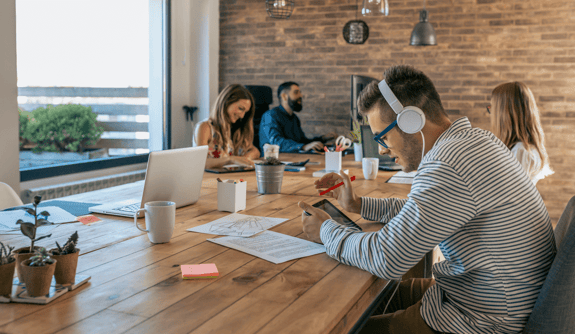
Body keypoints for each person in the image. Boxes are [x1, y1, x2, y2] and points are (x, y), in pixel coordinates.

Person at [298, 65, 556, 334]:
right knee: (367, 300)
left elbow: (387, 257)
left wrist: (326, 231)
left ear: (412, 121)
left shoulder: (448, 163)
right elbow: (422, 213)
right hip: (478, 297)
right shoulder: (473, 141)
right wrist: (358, 206)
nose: (384, 149)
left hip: (482, 320)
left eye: (383, 136)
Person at [489, 82, 553, 184]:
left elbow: (509, 195)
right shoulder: (521, 149)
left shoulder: (520, 151)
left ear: (503, 113)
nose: (491, 114)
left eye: (492, 108)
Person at [258, 81, 337, 153]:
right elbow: (276, 142)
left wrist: (322, 139)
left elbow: (301, 141)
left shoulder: (294, 118)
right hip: (274, 162)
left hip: (293, 159)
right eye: (296, 92)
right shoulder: (270, 116)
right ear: (284, 96)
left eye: (300, 92)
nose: (301, 95)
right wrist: (303, 147)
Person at [193, 84, 260, 169]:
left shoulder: (234, 128)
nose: (242, 116)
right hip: (209, 179)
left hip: (228, 178)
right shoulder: (205, 127)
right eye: (240, 108)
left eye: (245, 112)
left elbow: (255, 151)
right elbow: (201, 163)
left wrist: (245, 159)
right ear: (227, 101)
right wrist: (230, 159)